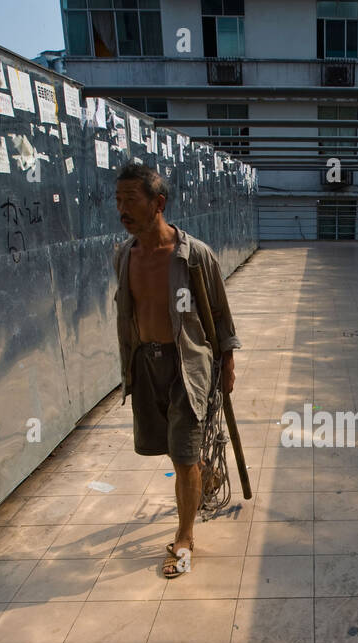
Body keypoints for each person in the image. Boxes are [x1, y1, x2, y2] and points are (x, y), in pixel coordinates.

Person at [113, 161, 241, 578]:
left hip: (189, 365)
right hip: (146, 365)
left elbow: (220, 316)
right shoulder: (124, 256)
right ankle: (203, 475)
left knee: (183, 456)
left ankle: (184, 538)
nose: (123, 210)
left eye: (131, 201)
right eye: (118, 201)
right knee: (172, 449)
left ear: (158, 203)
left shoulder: (194, 256)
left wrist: (228, 364)